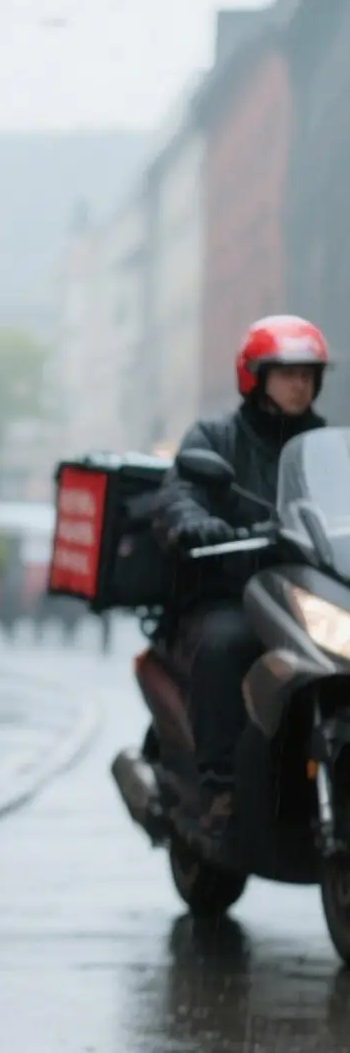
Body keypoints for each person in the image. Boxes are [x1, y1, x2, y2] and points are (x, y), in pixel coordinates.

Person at [154, 314, 329, 836]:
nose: (301, 384)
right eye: (287, 373)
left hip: (304, 592)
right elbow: (179, 493)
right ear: (253, 376)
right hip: (231, 591)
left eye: (309, 374)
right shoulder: (216, 438)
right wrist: (195, 524)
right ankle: (221, 787)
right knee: (226, 643)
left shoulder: (327, 444)